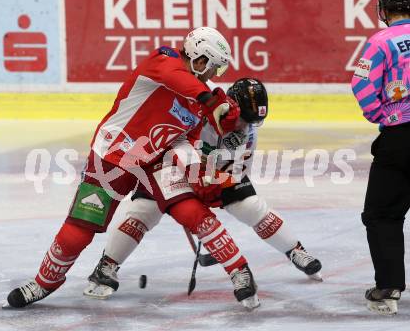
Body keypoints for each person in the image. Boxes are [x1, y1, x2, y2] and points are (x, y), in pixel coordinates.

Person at [6, 27, 250, 308]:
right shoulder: (164, 59)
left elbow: (188, 137)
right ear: (199, 58)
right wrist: (208, 99)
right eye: (212, 67)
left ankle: (240, 270)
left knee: (188, 208)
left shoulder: (199, 98)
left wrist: (197, 164)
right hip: (115, 152)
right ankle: (43, 283)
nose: (212, 76)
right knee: (82, 227)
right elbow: (175, 78)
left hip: (157, 158)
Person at [83, 78, 323, 306]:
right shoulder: (197, 113)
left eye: (252, 121)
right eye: (244, 119)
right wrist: (189, 185)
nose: (245, 127)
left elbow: (236, 170)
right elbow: (168, 143)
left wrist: (207, 188)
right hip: (169, 166)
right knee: (143, 210)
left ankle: (295, 250)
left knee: (250, 205)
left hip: (214, 175)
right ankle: (106, 266)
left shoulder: (247, 131)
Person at [351, 0, 410, 315]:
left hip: (400, 138)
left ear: (385, 11)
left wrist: (381, 115)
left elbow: (361, 83)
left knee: (382, 214)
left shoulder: (381, 41)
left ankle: (388, 287)